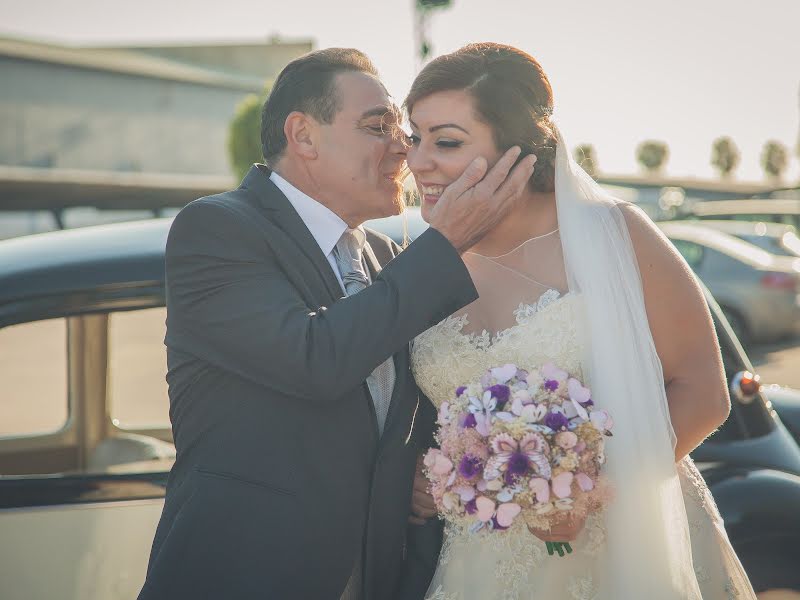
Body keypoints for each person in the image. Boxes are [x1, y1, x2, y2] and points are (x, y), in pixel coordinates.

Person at [137, 48, 537, 600]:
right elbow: (315, 360)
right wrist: (444, 244)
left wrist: (434, 475)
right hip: (243, 576)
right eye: (379, 127)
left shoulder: (381, 256)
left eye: (404, 130)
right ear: (302, 135)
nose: (404, 147)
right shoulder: (216, 229)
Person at [405, 42, 756, 599]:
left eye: (445, 141)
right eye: (413, 137)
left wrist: (585, 495)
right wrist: (431, 479)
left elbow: (704, 392)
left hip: (618, 550)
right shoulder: (425, 261)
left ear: (516, 145)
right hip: (478, 561)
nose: (418, 160)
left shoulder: (614, 235)